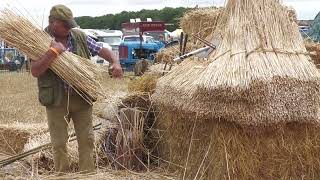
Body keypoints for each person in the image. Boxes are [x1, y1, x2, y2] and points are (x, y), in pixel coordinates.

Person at [31, 4, 123, 173]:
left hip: (82, 97)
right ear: (52, 22)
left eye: (70, 24)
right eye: (64, 24)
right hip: (57, 98)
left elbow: (103, 51)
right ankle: (62, 175)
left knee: (87, 139)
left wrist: (115, 62)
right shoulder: (39, 40)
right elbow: (35, 71)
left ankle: (87, 174)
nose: (69, 28)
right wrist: (52, 52)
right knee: (59, 142)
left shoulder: (79, 36)